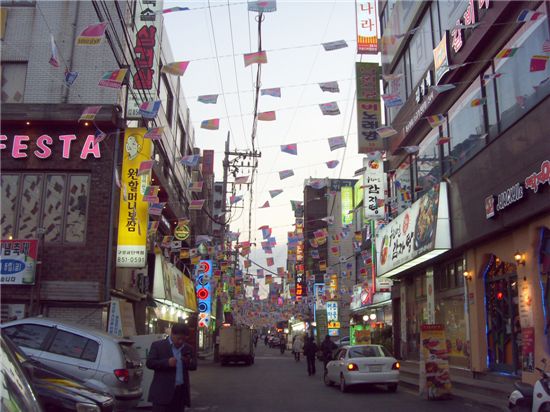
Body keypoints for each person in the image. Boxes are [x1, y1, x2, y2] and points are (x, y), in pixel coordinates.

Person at [146, 324, 195, 412]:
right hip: (162, 393)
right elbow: (150, 363)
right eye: (178, 339)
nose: (180, 342)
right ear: (172, 334)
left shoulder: (188, 348)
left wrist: (188, 362)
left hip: (180, 393)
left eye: (183, 339)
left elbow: (194, 366)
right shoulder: (158, 346)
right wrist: (166, 363)